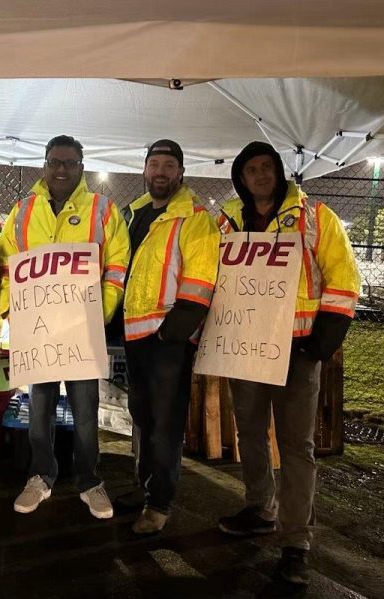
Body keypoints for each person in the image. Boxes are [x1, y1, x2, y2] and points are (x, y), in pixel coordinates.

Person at [216, 141, 360, 585]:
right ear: (240, 178)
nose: (259, 175)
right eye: (250, 170)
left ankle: (295, 542)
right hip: (246, 347)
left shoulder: (316, 217)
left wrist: (320, 344)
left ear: (278, 172)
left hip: (298, 351)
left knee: (297, 446)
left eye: (266, 167)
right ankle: (260, 506)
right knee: (250, 432)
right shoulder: (224, 221)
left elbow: (343, 280)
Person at [0, 135, 130, 519]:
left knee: (85, 411)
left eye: (70, 163)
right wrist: (9, 308)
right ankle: (41, 476)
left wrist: (100, 312)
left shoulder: (103, 210)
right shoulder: (22, 211)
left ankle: (89, 481)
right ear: (44, 164)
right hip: (37, 328)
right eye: (55, 161)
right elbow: (8, 263)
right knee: (39, 409)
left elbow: (117, 264)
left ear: (81, 167)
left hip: (81, 329)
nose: (61, 169)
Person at [121, 139, 220, 534]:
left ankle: (160, 503)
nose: (160, 172)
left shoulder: (194, 217)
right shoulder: (136, 213)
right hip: (135, 334)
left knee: (165, 424)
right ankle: (145, 487)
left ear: (180, 172)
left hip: (167, 339)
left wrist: (172, 333)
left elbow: (200, 282)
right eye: (154, 164)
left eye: (168, 165)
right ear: (145, 170)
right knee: (142, 417)